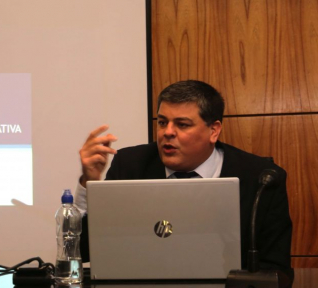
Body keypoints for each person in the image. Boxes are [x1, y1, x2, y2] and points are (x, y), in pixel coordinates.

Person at [75, 80, 292, 271]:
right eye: (162, 122)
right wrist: (90, 181)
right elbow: (82, 251)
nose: (167, 132)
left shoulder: (261, 179)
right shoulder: (130, 165)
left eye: (182, 124)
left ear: (214, 131)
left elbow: (275, 267)